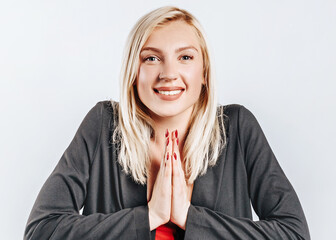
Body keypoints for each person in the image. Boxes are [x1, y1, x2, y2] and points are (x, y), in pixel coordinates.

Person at [24, 6, 310, 240]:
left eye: (185, 57)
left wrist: (190, 219)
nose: (169, 73)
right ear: (134, 72)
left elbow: (294, 233)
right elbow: (41, 231)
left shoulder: (236, 128)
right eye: (151, 58)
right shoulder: (103, 125)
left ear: (204, 72)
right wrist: (149, 216)